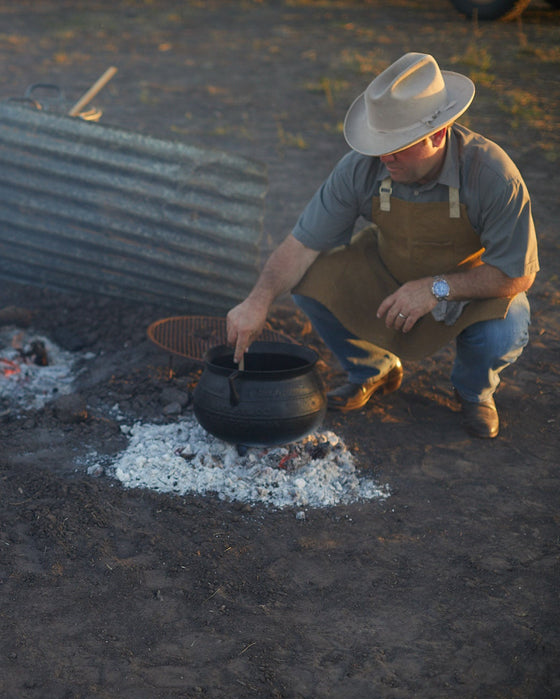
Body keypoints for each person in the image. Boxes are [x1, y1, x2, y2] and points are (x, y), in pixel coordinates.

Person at [226, 52, 537, 439]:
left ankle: (474, 392)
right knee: (311, 278)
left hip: (463, 285)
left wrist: (435, 288)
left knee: (508, 323)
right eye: (379, 143)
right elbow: (300, 246)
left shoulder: (493, 175)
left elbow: (516, 273)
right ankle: (373, 369)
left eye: (398, 145)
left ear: (438, 134)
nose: (383, 156)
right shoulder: (362, 167)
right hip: (388, 271)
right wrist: (257, 301)